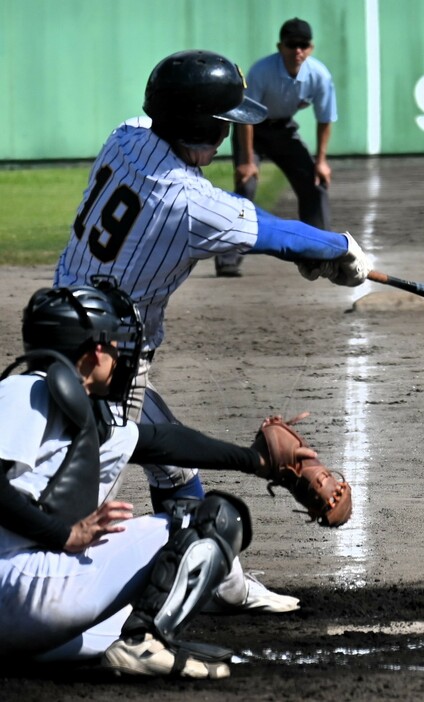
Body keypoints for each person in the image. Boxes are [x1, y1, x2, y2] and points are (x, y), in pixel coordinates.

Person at [53, 50, 369, 615]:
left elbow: (259, 231)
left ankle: (218, 578)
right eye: (223, 122)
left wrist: (313, 253)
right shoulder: (187, 201)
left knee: (171, 464)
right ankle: (64, 602)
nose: (229, 132)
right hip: (107, 361)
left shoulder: (126, 136)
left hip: (57, 328)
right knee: (74, 507)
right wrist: (340, 250)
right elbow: (272, 231)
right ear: (201, 126)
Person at [0, 281, 317, 677]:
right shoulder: (21, 392)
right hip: (21, 586)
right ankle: (143, 642)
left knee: (124, 613)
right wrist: (63, 535)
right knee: (210, 518)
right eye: (113, 343)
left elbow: (164, 442)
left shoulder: (80, 413)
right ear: (94, 351)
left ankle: (126, 635)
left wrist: (257, 461)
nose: (118, 354)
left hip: (27, 607)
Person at [215, 17, 337, 277]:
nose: (297, 51)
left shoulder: (319, 75)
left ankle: (320, 252)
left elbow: (325, 118)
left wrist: (322, 160)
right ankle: (227, 259)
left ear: (311, 48)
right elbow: (246, 118)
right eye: (292, 45)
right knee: (246, 185)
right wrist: (247, 160)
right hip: (253, 129)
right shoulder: (262, 71)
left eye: (303, 45)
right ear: (280, 46)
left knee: (315, 183)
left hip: (283, 129)